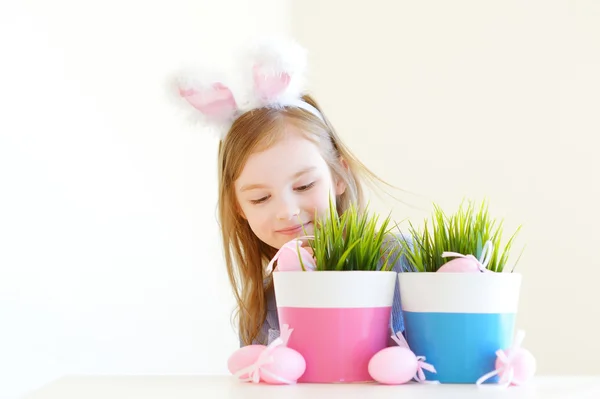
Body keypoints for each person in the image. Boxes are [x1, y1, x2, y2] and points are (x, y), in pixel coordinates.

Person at [171, 37, 413, 347]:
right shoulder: (268, 305)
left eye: (304, 186)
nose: (287, 210)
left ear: (339, 176)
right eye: (260, 198)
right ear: (238, 207)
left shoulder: (402, 261)